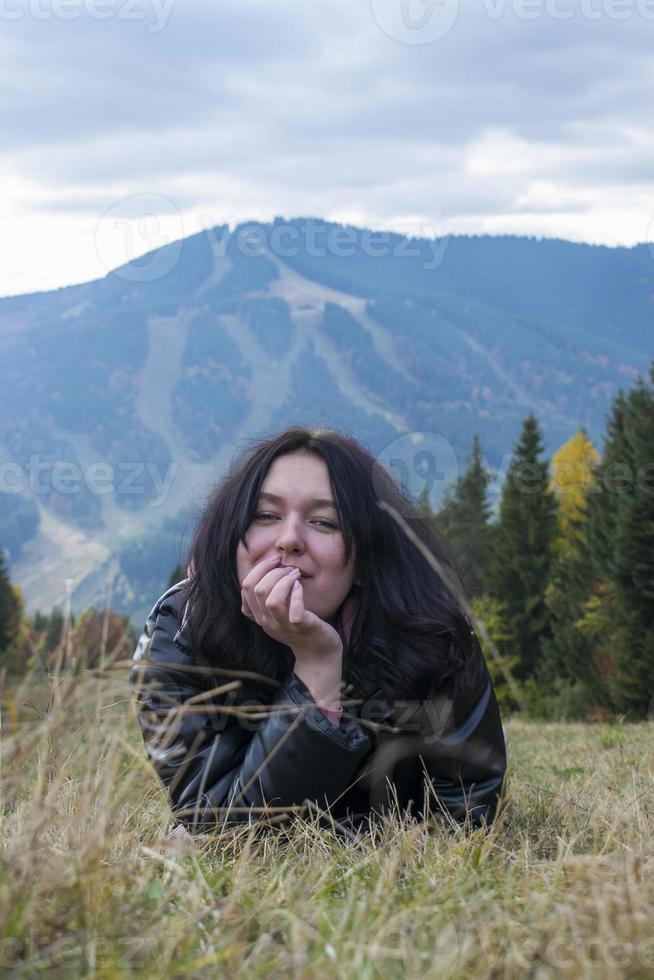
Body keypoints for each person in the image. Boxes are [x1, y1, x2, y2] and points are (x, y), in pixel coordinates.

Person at [129, 426, 507, 836]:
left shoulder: (430, 630)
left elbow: (469, 812)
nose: (289, 540)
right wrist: (315, 673)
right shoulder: (182, 629)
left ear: (365, 558)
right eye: (265, 516)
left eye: (324, 522)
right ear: (231, 537)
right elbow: (217, 825)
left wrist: (320, 660)